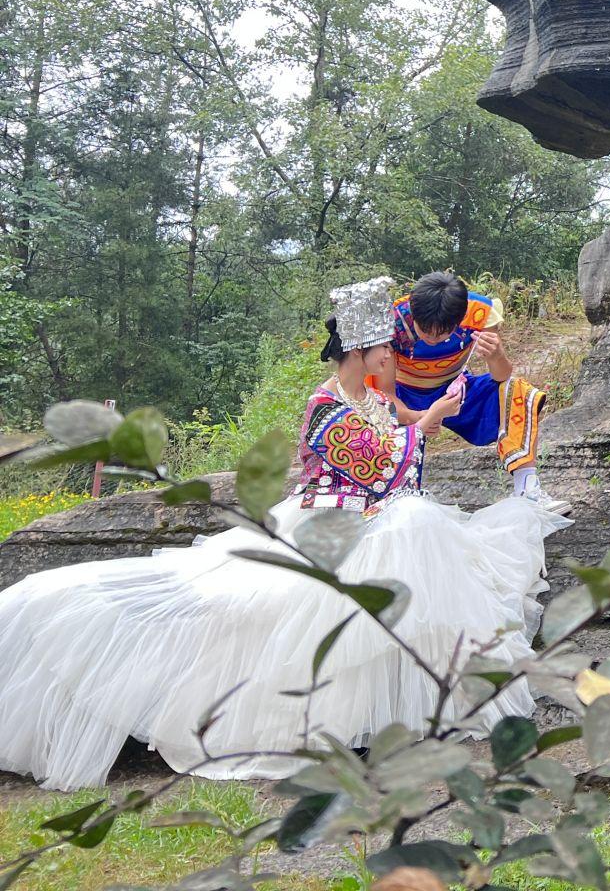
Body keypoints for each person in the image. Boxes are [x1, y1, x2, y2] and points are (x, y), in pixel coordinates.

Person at [0, 277, 566, 791]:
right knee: (269, 603)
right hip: (327, 521)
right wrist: (432, 418)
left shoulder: (373, 399)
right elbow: (381, 469)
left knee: (409, 545)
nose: (395, 359)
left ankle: (379, 718)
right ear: (360, 354)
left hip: (370, 517)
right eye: (385, 351)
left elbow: (398, 455)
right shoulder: (325, 409)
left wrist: (425, 418)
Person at [389, 271, 559, 508]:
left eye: (443, 333)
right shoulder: (391, 321)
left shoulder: (480, 312)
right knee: (378, 413)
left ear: (459, 319)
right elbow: (384, 394)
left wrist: (496, 355)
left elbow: (501, 376)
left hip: (456, 391)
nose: (433, 339)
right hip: (405, 395)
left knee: (517, 389)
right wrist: (420, 417)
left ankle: (527, 487)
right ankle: (394, 498)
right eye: (425, 331)